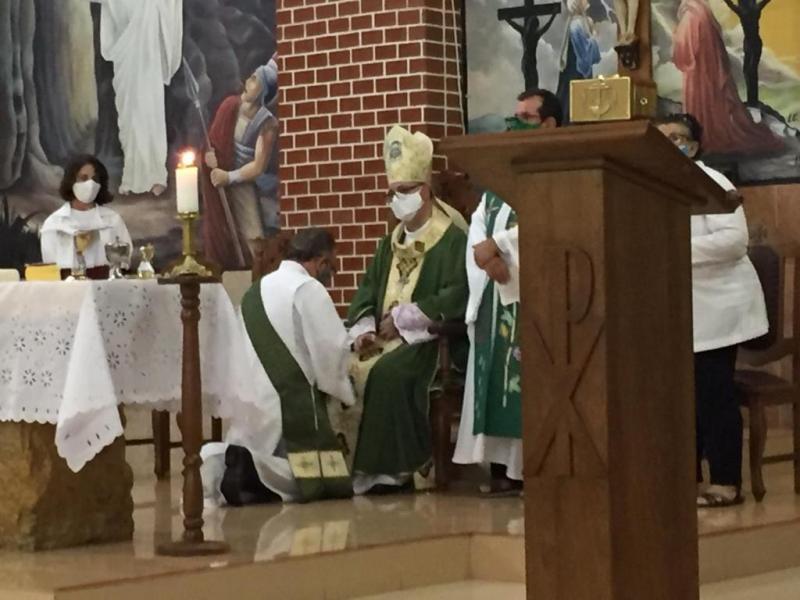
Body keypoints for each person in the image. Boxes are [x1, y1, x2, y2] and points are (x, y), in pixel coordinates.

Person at [331, 125, 469, 495]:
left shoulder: (451, 239)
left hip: (430, 342)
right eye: (392, 193)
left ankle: (396, 470)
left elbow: (460, 292)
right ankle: (349, 468)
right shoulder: (388, 243)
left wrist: (406, 319)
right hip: (385, 338)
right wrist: (363, 328)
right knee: (344, 367)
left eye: (404, 192)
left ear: (424, 191)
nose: (397, 200)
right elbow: (367, 289)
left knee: (389, 374)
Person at [655, 113, 768, 507]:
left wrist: (670, 250)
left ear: (695, 146)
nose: (671, 144)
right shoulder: (651, 186)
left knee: (712, 394)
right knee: (679, 397)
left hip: (719, 308)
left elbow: (734, 241)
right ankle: (685, 476)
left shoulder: (712, 182)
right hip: (675, 311)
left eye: (679, 138)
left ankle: (725, 481)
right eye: (662, 138)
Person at [454, 89, 563, 495]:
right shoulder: (503, 174)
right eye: (513, 115)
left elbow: (556, 218)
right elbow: (480, 225)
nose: (516, 124)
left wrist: (503, 250)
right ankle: (501, 467)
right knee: (494, 379)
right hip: (496, 292)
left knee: (530, 380)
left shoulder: (561, 168)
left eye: (527, 117)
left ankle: (530, 468)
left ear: (550, 124)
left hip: (536, 297)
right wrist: (488, 259)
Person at [201, 228, 355, 505]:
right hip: (288, 411)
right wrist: (344, 386)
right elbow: (331, 349)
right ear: (319, 262)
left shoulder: (254, 292)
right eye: (331, 265)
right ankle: (251, 470)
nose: (330, 273)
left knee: (259, 447)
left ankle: (222, 459)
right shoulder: (308, 288)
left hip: (250, 407)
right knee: (310, 477)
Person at [91, 0, 183, 195]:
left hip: (148, 53)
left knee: (150, 110)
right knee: (129, 114)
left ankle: (156, 174)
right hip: (126, 53)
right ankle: (132, 175)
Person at [672, 0, 782, 156]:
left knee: (751, 73)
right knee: (750, 73)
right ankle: (752, 104)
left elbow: (683, 53)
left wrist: (675, 36)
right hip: (710, 72)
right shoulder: (703, 13)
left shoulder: (692, 16)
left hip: (700, 76)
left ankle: (751, 104)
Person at [202, 58, 279, 269]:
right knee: (221, 231)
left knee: (253, 236)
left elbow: (258, 166)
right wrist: (209, 157)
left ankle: (257, 280)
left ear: (263, 91)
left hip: (241, 182)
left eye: (255, 79)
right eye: (251, 76)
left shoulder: (267, 123)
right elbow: (212, 143)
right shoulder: (229, 106)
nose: (248, 80)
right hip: (220, 178)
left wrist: (229, 177)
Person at [40, 154, 132, 276]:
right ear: (71, 181)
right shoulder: (54, 223)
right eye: (83, 178)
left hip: (107, 289)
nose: (90, 184)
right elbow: (49, 265)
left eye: (95, 180)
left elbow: (125, 259)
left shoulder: (113, 220)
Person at [555, 0, 601, 125]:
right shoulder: (575, 23)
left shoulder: (584, 22)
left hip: (581, 64)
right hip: (574, 64)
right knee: (569, 91)